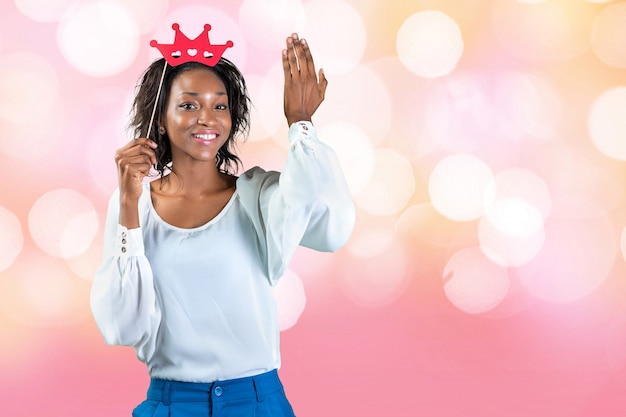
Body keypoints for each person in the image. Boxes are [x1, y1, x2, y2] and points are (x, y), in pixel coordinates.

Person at [90, 31, 355, 417]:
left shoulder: (259, 197)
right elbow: (122, 325)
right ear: (160, 120)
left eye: (220, 106)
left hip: (256, 402)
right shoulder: (134, 205)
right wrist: (129, 204)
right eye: (188, 104)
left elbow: (330, 225)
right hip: (170, 404)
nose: (207, 118)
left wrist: (301, 124)